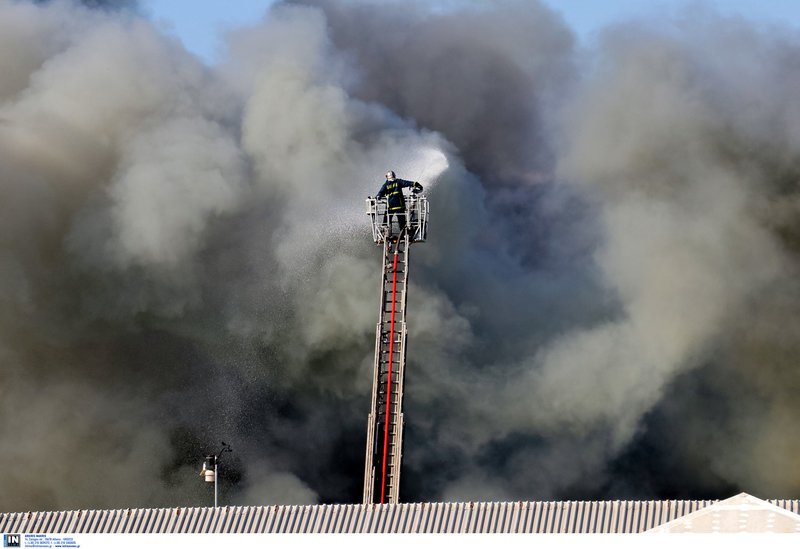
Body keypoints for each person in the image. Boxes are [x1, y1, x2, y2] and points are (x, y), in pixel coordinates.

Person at [375, 170, 423, 239]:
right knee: (402, 223)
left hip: (390, 207)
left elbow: (380, 193)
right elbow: (407, 183)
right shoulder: (398, 182)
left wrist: (377, 198)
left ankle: (385, 234)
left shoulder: (386, 185)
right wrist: (415, 184)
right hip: (400, 206)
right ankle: (403, 235)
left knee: (386, 221)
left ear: (387, 177)